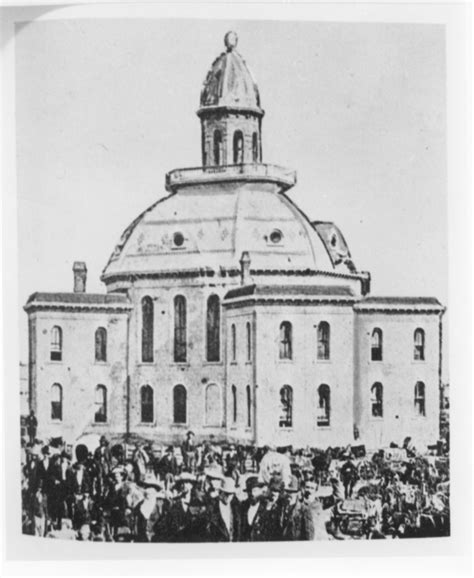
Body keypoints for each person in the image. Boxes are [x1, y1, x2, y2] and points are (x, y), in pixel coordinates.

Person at [205, 477, 241, 542]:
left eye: (231, 494)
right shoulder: (212, 508)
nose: (229, 497)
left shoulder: (236, 507)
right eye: (226, 494)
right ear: (220, 492)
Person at [281, 476, 314, 541]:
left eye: (292, 492)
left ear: (297, 493)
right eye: (287, 491)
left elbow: (309, 535)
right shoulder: (281, 507)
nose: (289, 494)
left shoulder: (304, 510)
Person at [239, 476, 267, 541]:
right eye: (249, 491)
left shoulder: (265, 507)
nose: (252, 494)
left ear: (260, 491)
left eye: (254, 491)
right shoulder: (243, 507)